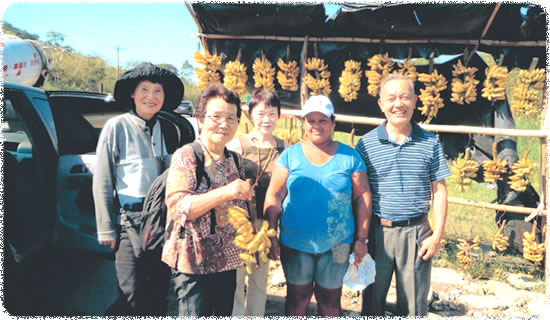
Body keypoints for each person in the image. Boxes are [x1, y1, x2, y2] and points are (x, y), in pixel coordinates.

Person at [264, 95, 372, 316]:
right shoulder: (290, 156)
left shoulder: (350, 157)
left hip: (338, 244)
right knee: (297, 297)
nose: (316, 126)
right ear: (303, 123)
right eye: (310, 120)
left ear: (333, 122)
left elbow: (362, 197)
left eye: (322, 120)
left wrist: (361, 239)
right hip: (295, 242)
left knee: (331, 299)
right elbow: (274, 194)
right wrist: (271, 232)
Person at [92, 62, 184, 315]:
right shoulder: (116, 127)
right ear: (132, 94)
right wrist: (105, 228)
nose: (151, 97)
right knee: (130, 291)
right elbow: (102, 179)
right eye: (144, 90)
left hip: (162, 221)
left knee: (157, 289)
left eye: (158, 91)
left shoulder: (168, 128)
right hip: (129, 221)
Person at [356, 73, 450, 316]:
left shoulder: (430, 142)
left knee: (414, 306)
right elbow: (358, 194)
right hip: (378, 233)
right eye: (391, 98)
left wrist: (436, 236)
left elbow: (439, 191)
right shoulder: (366, 145)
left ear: (415, 101)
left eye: (405, 97)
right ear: (381, 104)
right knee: (372, 303)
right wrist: (360, 238)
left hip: (417, 233)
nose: (398, 104)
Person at [161, 83, 253, 316]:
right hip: (194, 261)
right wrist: (227, 192)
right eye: (216, 116)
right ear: (200, 119)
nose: (224, 124)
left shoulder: (235, 159)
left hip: (228, 260)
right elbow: (179, 207)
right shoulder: (187, 155)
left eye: (231, 118)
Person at [227, 89, 287, 316]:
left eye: (272, 114)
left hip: (267, 223)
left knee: (260, 280)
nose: (266, 120)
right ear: (250, 114)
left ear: (279, 116)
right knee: (237, 279)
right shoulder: (237, 146)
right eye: (261, 113)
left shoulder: (284, 149)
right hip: (239, 222)